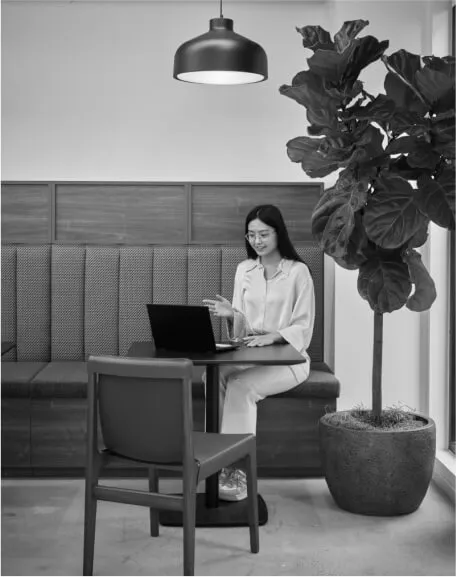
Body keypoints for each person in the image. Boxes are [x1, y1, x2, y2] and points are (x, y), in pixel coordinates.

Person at [203, 204, 315, 501]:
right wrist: (232, 315)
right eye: (251, 235)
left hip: (290, 360)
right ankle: (214, 460)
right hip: (250, 355)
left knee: (240, 386)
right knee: (212, 377)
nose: (257, 241)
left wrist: (273, 336)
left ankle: (237, 469)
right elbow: (241, 332)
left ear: (279, 233)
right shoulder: (244, 269)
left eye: (263, 234)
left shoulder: (298, 272)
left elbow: (303, 327)